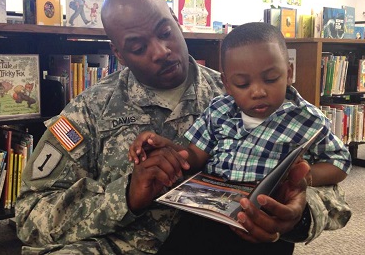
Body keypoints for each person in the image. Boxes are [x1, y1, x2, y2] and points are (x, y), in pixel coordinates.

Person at [15, 0, 351, 254]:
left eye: (164, 32)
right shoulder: (88, 112)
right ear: (117, 53)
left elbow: (328, 186)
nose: (161, 51)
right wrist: (127, 195)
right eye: (138, 46)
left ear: (176, 20)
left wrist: (299, 215)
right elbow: (30, 217)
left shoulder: (243, 91)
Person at [129, 22, 351, 189]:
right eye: (242, 84)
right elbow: (194, 157)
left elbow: (339, 161)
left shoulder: (308, 118)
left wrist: (306, 176)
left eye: (271, 79)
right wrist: (166, 149)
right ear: (227, 84)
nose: (258, 92)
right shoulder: (218, 110)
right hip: (212, 205)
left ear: (289, 73)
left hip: (264, 212)